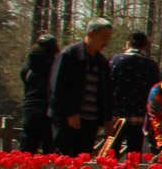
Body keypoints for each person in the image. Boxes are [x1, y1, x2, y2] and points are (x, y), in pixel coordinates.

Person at [48, 17, 114, 155]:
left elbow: (106, 93)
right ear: (90, 34)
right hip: (68, 119)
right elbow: (57, 88)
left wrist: (107, 118)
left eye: (108, 38)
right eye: (103, 37)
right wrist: (70, 112)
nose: (105, 42)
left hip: (91, 121)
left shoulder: (102, 63)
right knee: (64, 157)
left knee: (84, 158)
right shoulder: (69, 55)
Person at [108, 31, 160, 156]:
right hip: (139, 115)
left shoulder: (115, 61)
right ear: (145, 46)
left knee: (110, 153)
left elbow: (107, 86)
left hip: (116, 116)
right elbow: (155, 93)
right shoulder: (151, 65)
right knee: (134, 154)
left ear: (127, 44)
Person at [19, 36, 58, 154]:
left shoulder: (28, 65)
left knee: (28, 146)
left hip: (30, 106)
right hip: (47, 108)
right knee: (49, 147)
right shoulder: (53, 65)